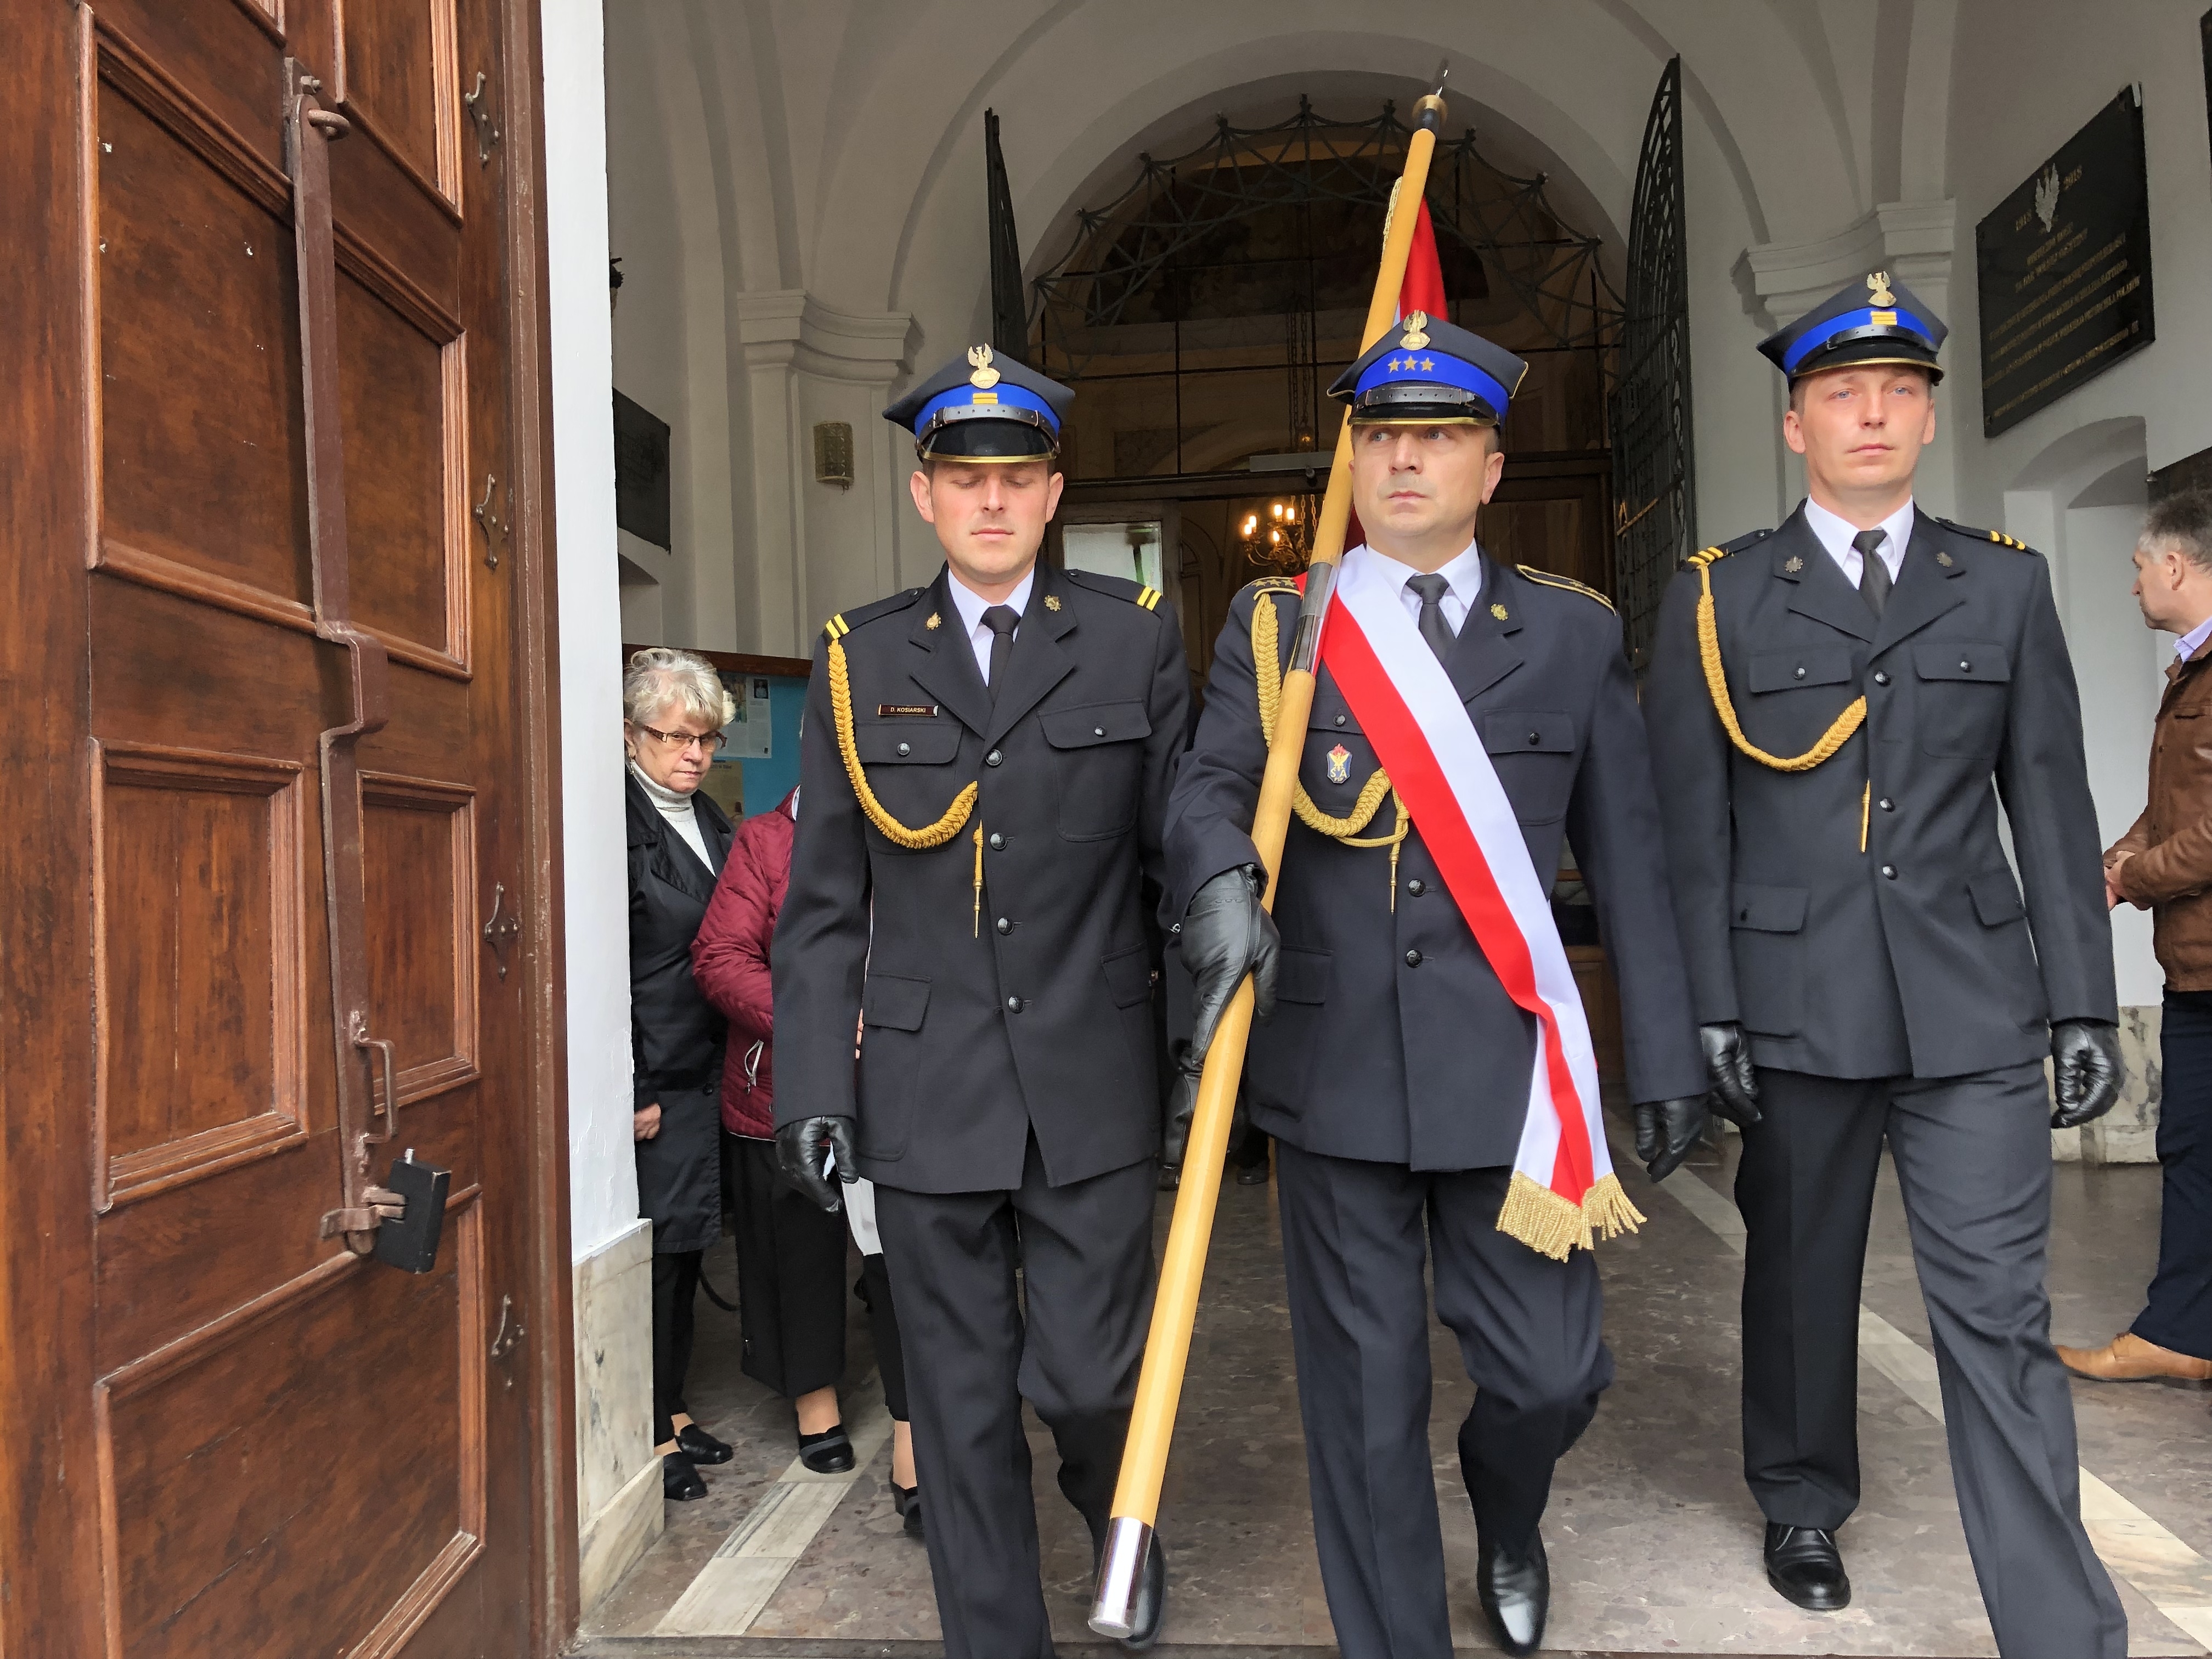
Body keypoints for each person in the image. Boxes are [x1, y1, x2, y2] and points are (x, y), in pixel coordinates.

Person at [1164, 312, 1707, 1659]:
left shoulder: (1570, 633)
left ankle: (1508, 1512)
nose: (1406, 460)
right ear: (1353, 460)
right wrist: (1219, 873)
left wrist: (1670, 1058)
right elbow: (1210, 786)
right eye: (1383, 436)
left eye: (1440, 437)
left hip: (1510, 1079)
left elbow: (1631, 859)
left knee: (1552, 1375)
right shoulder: (1283, 623)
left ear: (1492, 467)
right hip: (1333, 1070)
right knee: (1362, 1412)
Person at [1643, 274, 2128, 1655]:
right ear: (1795, 424)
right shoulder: (1721, 596)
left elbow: (2050, 803)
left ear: (1926, 415)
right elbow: (1690, 833)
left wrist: (2082, 1001)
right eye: (1843, 394)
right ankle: (1801, 1500)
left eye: (1899, 392)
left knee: (2001, 1312)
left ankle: (2059, 1625)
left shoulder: (2003, 582)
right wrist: (1706, 1010)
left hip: (1973, 1006)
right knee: (1801, 1280)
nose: (1873, 414)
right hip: (1795, 1002)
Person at [771, 345, 1190, 1657]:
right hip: (924, 1091)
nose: (992, 500)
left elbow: (1177, 865)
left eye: (1017, 477)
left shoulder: (1131, 638)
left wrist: (1196, 1055)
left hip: (1091, 1083)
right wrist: (813, 1090)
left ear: (1054, 494)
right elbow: (822, 905)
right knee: (954, 1411)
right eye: (965, 477)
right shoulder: (861, 658)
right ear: (924, 494)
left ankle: (1116, 1512)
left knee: (1089, 1382)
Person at [691, 781, 926, 1517]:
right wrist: (821, 1018)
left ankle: (914, 1433)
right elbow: (721, 956)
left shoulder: (919, 821)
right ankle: (814, 1400)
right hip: (786, 1081)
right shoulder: (766, 839)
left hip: (900, 1083)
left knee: (903, 1257)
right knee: (797, 1252)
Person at [2062, 489, 2212, 1385]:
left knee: (2194, 1147)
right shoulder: (2191, 671)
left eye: (2139, 567)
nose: (2134, 585)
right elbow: (2170, 813)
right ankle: (2183, 1333)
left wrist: (2132, 879)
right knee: (2191, 1146)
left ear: (2177, 566)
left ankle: (2181, 1331)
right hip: (2196, 966)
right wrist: (2109, 866)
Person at [624, 647, 740, 1503]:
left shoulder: (712, 820)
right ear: (632, 735)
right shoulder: (613, 823)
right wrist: (629, 1087)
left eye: (705, 739)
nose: (693, 755)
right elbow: (601, 968)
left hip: (707, 1069)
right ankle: (650, 1430)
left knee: (691, 1245)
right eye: (674, 737)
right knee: (660, 1258)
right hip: (657, 1079)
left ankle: (673, 1406)